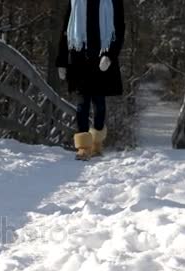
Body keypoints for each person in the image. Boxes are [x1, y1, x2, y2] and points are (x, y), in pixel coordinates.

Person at [56, 0, 125, 160]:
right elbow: (66, 29)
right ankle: (83, 147)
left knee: (99, 104)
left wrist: (110, 55)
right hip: (79, 57)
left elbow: (119, 28)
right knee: (82, 103)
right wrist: (62, 61)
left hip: (102, 57)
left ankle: (97, 144)